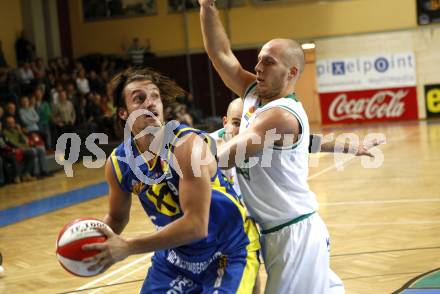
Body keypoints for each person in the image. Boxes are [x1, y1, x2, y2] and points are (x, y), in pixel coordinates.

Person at [199, 1, 345, 293]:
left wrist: (184, 154)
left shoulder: (281, 116)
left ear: (291, 73)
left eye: (268, 62)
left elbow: (229, 155)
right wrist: (207, 7)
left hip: (294, 234)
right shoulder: (254, 92)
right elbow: (219, 54)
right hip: (275, 231)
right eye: (259, 59)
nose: (258, 67)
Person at [82, 68, 260, 293]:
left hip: (226, 250)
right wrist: (89, 243)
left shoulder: (187, 146)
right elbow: (117, 217)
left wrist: (128, 246)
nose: (151, 103)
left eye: (155, 96)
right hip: (176, 256)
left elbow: (196, 226)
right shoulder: (118, 163)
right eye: (139, 98)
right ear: (123, 113)